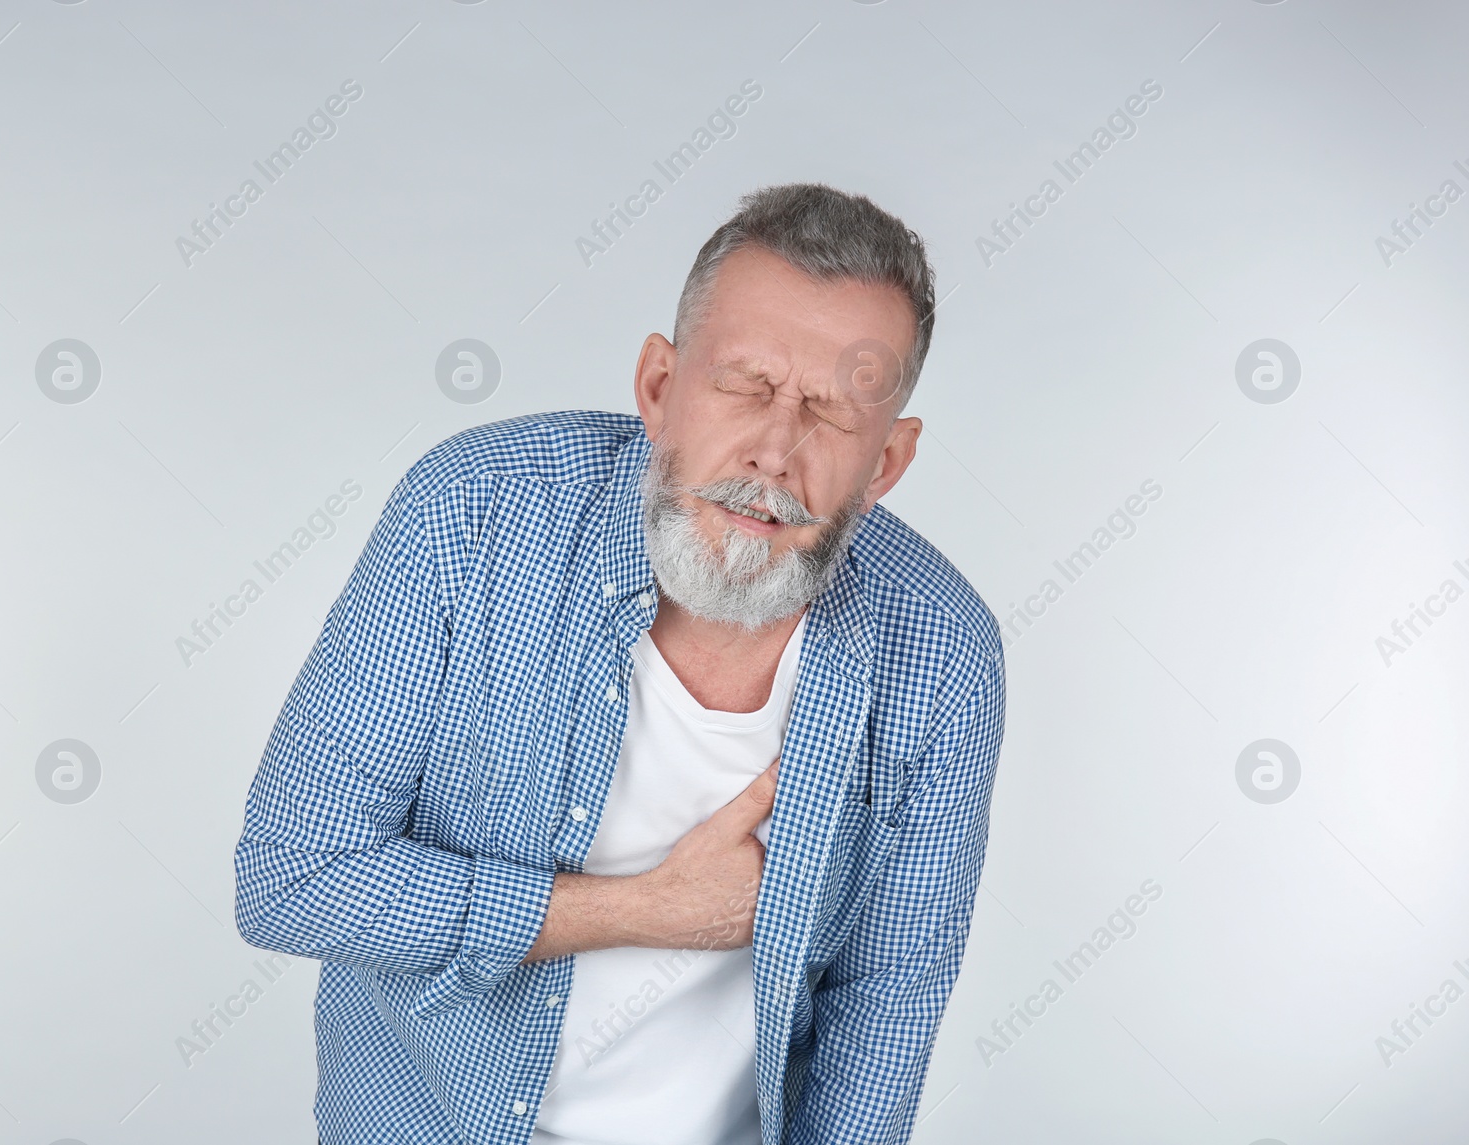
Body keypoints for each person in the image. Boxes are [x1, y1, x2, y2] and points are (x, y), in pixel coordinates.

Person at [233, 182, 1007, 1145]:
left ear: (886, 463)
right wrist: (644, 910)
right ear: (657, 388)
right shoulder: (472, 515)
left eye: (829, 416)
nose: (774, 451)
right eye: (746, 386)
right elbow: (290, 877)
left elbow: (885, 1003)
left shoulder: (941, 648)